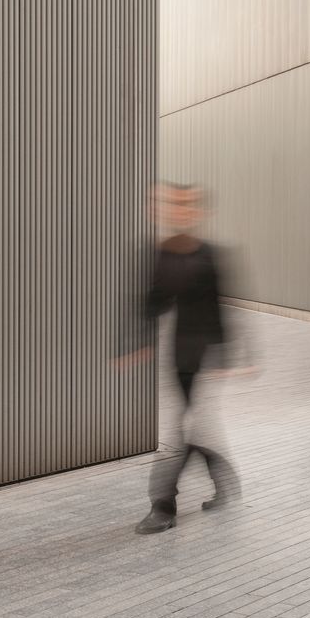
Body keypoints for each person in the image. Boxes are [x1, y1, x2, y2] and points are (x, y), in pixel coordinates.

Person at [118, 182, 243, 535]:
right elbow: (149, 303)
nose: (179, 210)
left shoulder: (210, 254)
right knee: (191, 425)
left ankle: (163, 503)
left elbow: (220, 306)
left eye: (187, 205)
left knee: (181, 429)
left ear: (200, 212)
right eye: (174, 204)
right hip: (178, 351)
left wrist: (227, 356)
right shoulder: (159, 253)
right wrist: (133, 343)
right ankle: (222, 474)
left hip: (203, 351)